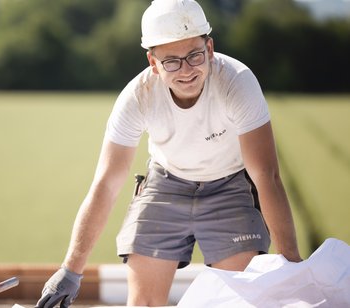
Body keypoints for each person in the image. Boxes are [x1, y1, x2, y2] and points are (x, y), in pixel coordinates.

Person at [36, 0, 302, 307]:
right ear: (153, 62)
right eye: (171, 61)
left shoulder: (237, 83)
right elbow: (107, 183)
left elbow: (265, 175)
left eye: (194, 55)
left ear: (210, 48)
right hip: (165, 185)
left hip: (229, 187)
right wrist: (71, 269)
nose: (186, 70)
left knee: (237, 301)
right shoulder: (137, 97)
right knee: (143, 302)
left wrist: (290, 264)